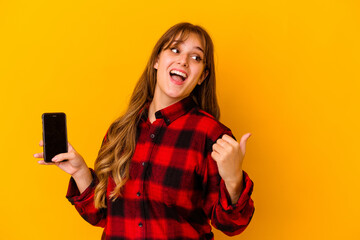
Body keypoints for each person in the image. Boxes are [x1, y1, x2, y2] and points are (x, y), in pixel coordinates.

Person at [34, 22, 255, 240]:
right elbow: (102, 216)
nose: (184, 61)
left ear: (203, 76)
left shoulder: (212, 136)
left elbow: (230, 226)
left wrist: (233, 179)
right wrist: (80, 172)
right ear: (157, 60)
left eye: (196, 57)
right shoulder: (119, 131)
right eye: (175, 49)